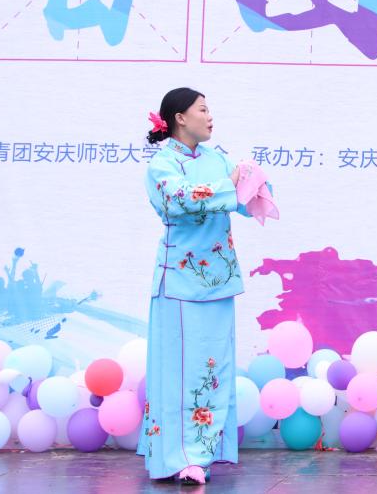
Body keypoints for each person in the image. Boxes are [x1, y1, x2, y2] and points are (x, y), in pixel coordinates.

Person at [136, 87, 255, 485]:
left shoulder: (216, 157)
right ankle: (179, 456)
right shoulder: (163, 164)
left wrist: (254, 184)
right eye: (202, 109)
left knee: (213, 370)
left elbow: (240, 195)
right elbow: (178, 199)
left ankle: (203, 453)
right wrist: (230, 186)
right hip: (181, 279)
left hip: (218, 278)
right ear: (180, 118)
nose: (210, 116)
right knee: (180, 373)